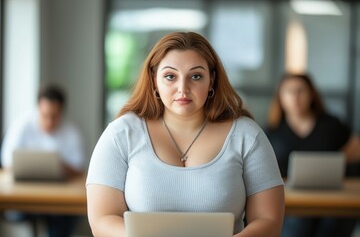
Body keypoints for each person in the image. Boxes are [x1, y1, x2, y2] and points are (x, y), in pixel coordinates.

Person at [86, 31, 284, 237]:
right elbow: (103, 219)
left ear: (212, 80)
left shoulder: (247, 135)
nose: (183, 88)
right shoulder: (121, 134)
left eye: (196, 76)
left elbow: (268, 221)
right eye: (170, 77)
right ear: (154, 80)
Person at [266, 72, 360, 237]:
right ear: (280, 97)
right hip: (290, 201)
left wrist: (339, 161)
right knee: (298, 225)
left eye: (301, 91)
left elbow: (356, 149)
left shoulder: (330, 124)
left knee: (334, 225)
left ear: (311, 94)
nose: (295, 97)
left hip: (332, 197)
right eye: (289, 91)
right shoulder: (272, 131)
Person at [1, 83, 84, 237]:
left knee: (65, 218)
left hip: (60, 201)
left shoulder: (72, 131)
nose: (49, 121)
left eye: (54, 116)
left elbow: (78, 169)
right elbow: (6, 162)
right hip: (23, 198)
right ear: (38, 108)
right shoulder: (21, 125)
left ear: (62, 112)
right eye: (45, 115)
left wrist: (59, 166)